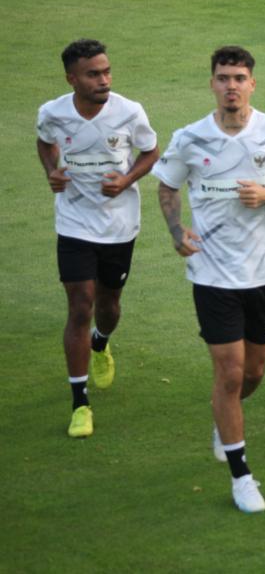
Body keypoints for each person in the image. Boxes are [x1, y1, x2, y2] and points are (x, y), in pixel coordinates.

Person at [154, 46, 265, 513]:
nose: (231, 86)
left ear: (252, 84)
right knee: (228, 374)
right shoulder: (190, 138)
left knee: (253, 373)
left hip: (264, 271)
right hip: (212, 273)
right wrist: (174, 229)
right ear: (212, 83)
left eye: (239, 78)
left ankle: (225, 418)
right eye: (223, 77)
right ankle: (242, 474)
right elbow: (167, 184)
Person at [36, 39, 159, 438]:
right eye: (93, 74)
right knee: (79, 306)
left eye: (106, 71)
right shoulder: (53, 113)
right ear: (72, 78)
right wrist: (51, 170)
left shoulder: (129, 112)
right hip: (73, 222)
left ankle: (101, 343)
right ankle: (80, 403)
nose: (104, 80)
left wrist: (126, 179)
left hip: (119, 226)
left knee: (108, 305)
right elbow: (44, 141)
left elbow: (151, 152)